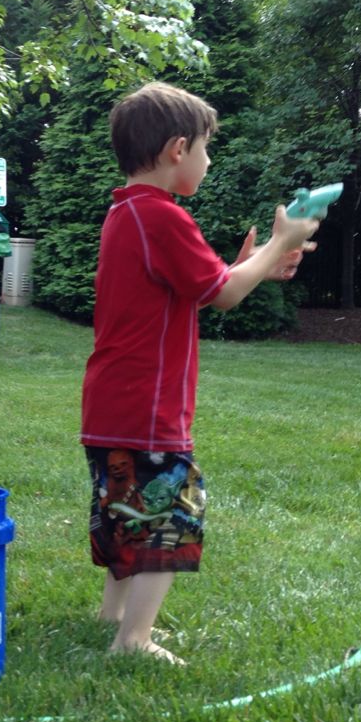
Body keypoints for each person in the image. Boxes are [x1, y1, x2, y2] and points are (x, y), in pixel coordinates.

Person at [81, 82, 319, 663]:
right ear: (177, 149)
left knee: (128, 509)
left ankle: (114, 614)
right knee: (171, 512)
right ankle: (133, 640)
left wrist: (253, 265)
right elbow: (224, 295)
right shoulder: (162, 217)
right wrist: (280, 244)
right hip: (148, 405)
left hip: (112, 402)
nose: (209, 162)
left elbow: (203, 286)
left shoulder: (126, 212)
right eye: (207, 149)